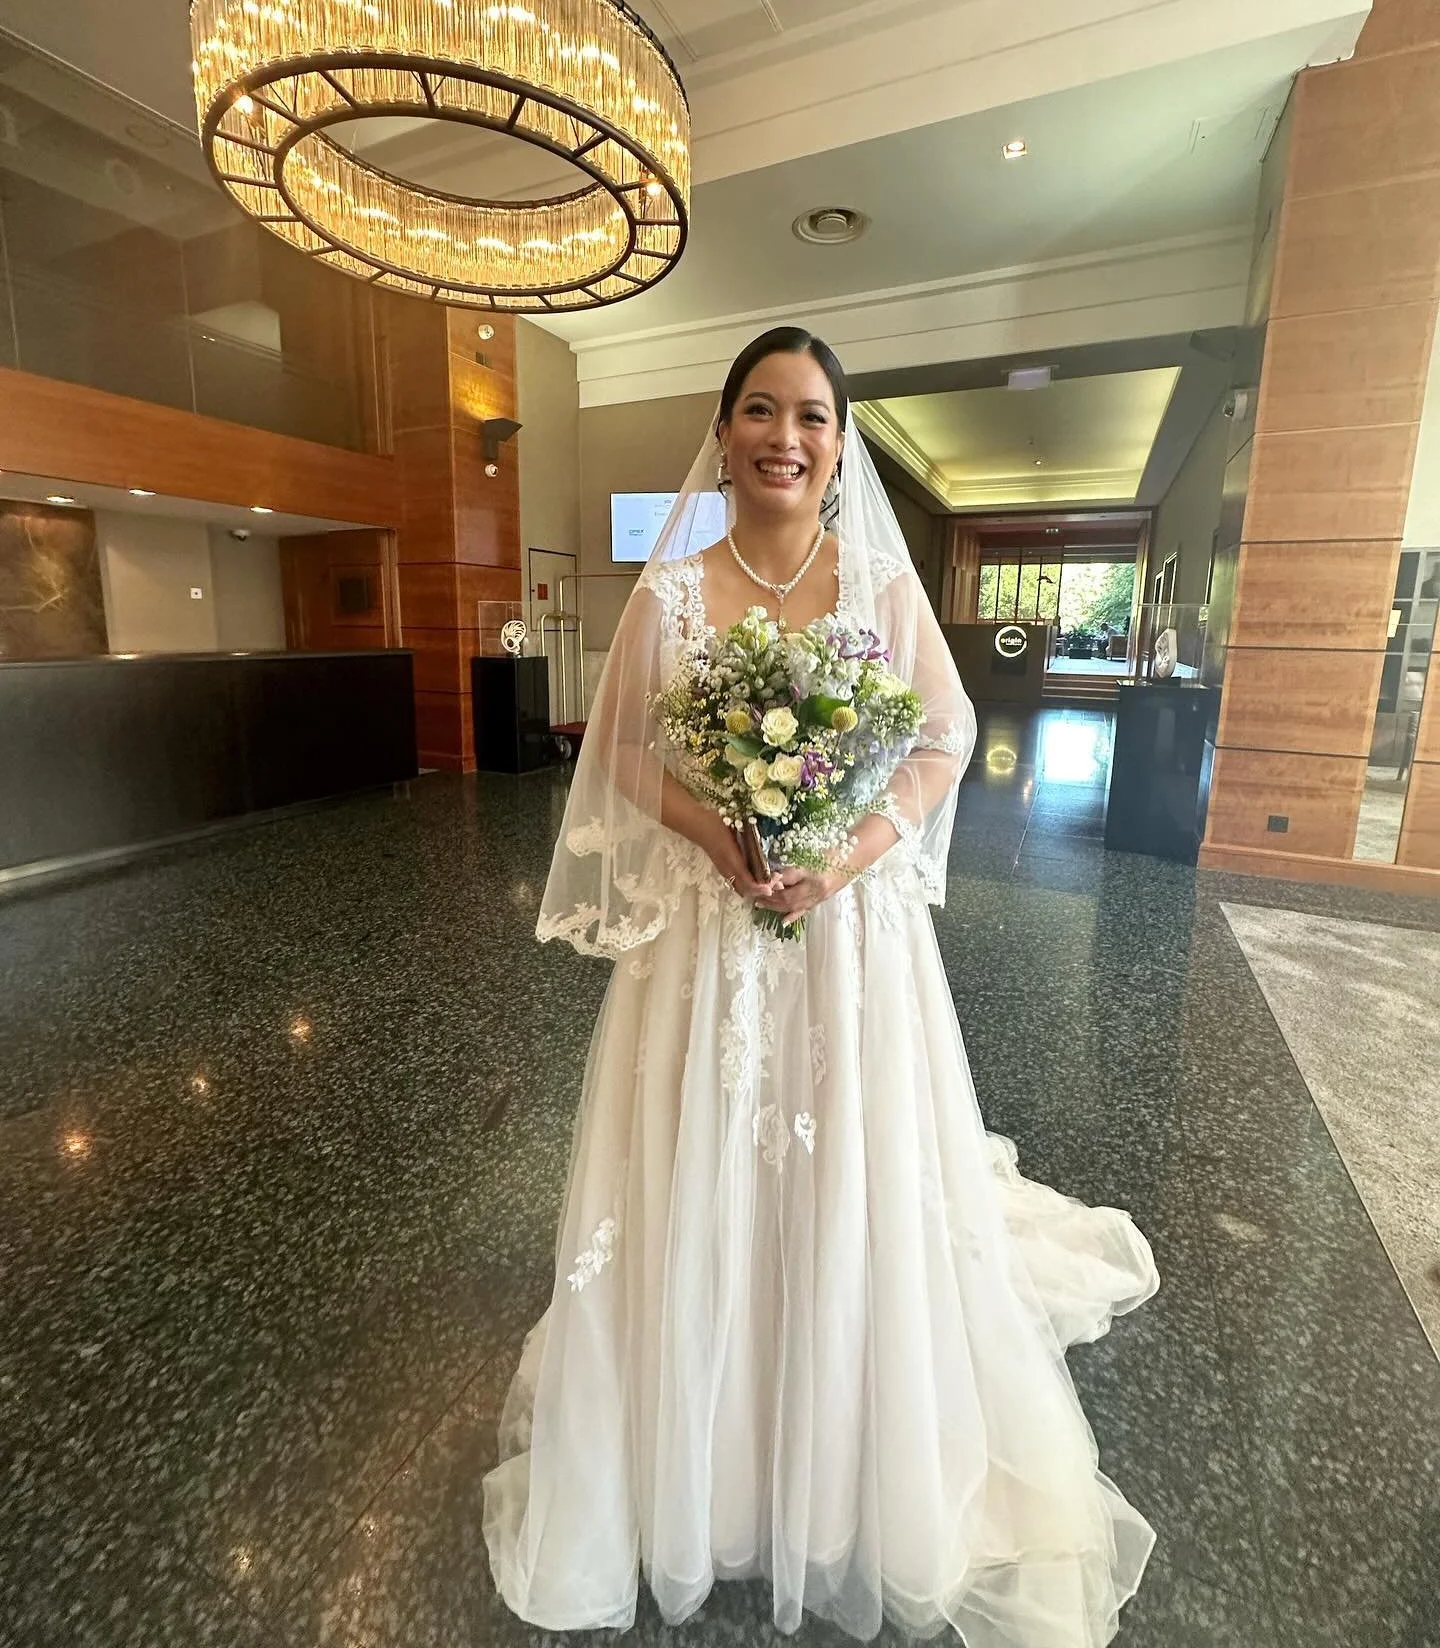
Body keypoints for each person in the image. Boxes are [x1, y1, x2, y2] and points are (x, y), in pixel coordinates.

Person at [483, 326, 1159, 1645]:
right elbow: (620, 748)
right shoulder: (671, 595)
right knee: (703, 1167)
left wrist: (841, 856)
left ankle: (852, 1445)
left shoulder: (879, 588)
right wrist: (714, 835)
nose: (783, 438)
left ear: (840, 444)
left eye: (810, 417)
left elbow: (946, 737)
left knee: (847, 1166)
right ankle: (704, 1448)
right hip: (704, 944)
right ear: (725, 433)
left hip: (848, 946)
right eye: (758, 411)